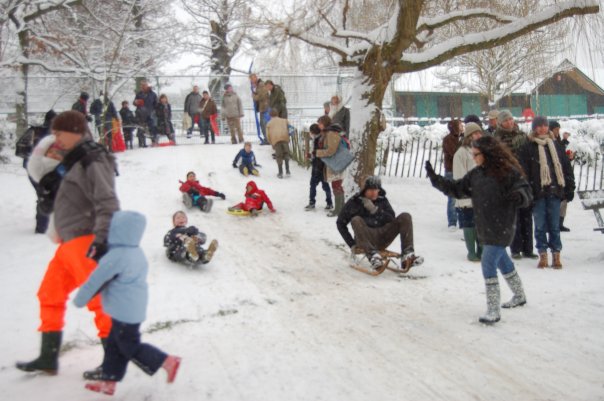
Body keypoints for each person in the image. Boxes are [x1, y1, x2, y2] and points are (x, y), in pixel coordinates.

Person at [16, 110, 119, 376]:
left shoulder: (93, 158)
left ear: (75, 131)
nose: (56, 138)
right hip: (68, 241)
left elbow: (107, 201)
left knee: (99, 299)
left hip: (87, 237)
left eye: (59, 133)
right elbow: (38, 170)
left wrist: (102, 239)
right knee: (49, 293)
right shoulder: (71, 158)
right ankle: (48, 357)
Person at [425, 135, 532, 324]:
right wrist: (436, 179)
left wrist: (519, 195)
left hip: (502, 226)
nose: (473, 158)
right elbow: (457, 189)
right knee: (503, 261)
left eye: (476, 154)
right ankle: (519, 295)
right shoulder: (476, 175)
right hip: (484, 226)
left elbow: (526, 190)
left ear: (488, 154)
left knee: (488, 262)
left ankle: (493, 310)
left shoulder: (508, 172)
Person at [73, 211, 181, 396]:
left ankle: (167, 361)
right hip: (130, 308)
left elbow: (96, 280)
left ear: (117, 230)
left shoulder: (117, 255)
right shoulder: (135, 252)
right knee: (114, 346)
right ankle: (109, 381)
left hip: (124, 311)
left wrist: (80, 299)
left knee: (128, 345)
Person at [518, 116, 575, 269]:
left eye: (545, 125)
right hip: (537, 193)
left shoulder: (556, 145)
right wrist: (527, 190)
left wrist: (569, 186)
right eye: (539, 126)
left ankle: (556, 254)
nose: (542, 128)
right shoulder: (528, 147)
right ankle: (542, 253)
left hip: (555, 191)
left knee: (555, 225)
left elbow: (565, 166)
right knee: (540, 225)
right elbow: (523, 171)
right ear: (534, 128)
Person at [336, 175, 423, 271]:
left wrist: (376, 210)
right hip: (365, 239)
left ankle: (407, 256)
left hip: (383, 237)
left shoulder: (382, 200)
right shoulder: (354, 202)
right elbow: (340, 223)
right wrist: (351, 244)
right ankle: (373, 256)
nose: (374, 193)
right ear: (365, 190)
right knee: (356, 219)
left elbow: (391, 218)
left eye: (376, 190)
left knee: (405, 216)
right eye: (371, 190)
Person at [494, 109, 536, 260]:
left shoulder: (522, 135)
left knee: (527, 216)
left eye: (510, 119)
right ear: (500, 123)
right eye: (506, 120)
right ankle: (516, 248)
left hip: (524, 180)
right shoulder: (497, 138)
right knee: (514, 217)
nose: (509, 122)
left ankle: (528, 249)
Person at [16, 109, 57, 233]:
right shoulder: (55, 134)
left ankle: (44, 225)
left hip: (32, 169)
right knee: (47, 195)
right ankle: (42, 227)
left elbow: (20, 150)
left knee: (44, 195)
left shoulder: (34, 131)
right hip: (45, 170)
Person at [453, 122, 483, 262]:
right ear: (469, 136)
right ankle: (471, 251)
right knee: (469, 223)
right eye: (476, 133)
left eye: (479, 132)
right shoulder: (461, 153)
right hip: (468, 195)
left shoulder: (483, 151)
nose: (479, 135)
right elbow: (460, 176)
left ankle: (482, 251)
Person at [315, 116, 346, 217]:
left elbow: (331, 150)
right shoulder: (330, 132)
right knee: (337, 185)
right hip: (337, 161)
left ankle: (338, 209)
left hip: (336, 162)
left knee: (336, 185)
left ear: (325, 123)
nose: (318, 125)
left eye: (320, 123)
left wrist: (318, 153)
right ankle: (341, 208)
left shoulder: (331, 133)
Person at [549, 120, 572, 232]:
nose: (557, 132)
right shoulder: (549, 142)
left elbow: (561, 155)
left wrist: (568, 158)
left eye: (558, 130)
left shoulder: (557, 141)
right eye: (556, 130)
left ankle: (560, 223)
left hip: (562, 174)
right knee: (558, 200)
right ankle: (554, 224)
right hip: (555, 176)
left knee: (564, 200)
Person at [305, 123, 333, 211]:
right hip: (322, 166)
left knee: (313, 185)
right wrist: (311, 156)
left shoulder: (319, 140)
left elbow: (318, 153)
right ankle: (329, 203)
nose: (310, 134)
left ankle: (312, 203)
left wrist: (311, 155)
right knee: (325, 186)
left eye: (310, 132)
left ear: (313, 132)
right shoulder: (320, 138)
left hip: (318, 167)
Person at [442, 119, 462, 231]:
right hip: (451, 170)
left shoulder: (461, 138)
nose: (462, 127)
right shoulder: (448, 139)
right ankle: (452, 222)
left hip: (460, 170)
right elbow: (455, 153)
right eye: (460, 125)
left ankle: (462, 220)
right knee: (452, 197)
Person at [266, 109, 291, 178]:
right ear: (277, 114)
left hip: (276, 140)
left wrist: (271, 142)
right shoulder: (284, 121)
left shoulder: (269, 123)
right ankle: (288, 170)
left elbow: (268, 135)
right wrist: (288, 137)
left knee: (279, 156)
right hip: (285, 138)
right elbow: (290, 128)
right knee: (286, 153)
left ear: (270, 115)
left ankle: (280, 172)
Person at [250, 73, 269, 144]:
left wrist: (254, 96)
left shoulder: (261, 84)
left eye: (252, 79)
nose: (252, 81)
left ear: (256, 77)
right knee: (262, 124)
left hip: (265, 107)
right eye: (251, 79)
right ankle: (266, 138)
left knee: (264, 124)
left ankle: (268, 139)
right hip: (262, 107)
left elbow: (261, 96)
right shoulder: (258, 85)